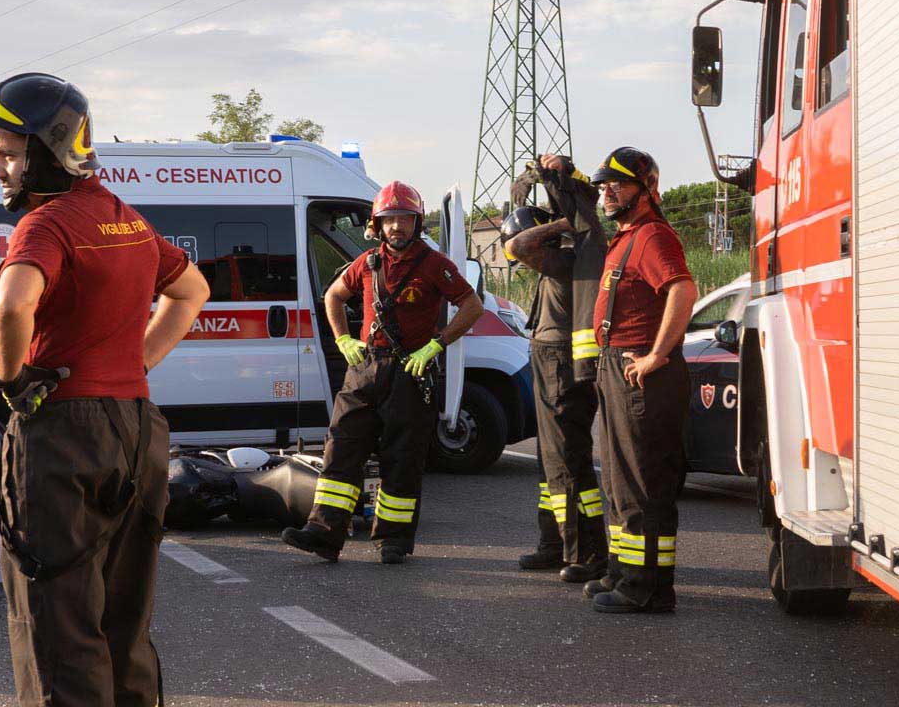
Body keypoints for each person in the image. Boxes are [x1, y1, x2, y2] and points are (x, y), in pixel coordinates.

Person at [0, 72, 208, 707]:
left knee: (57, 625)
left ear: (44, 152)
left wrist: (13, 386)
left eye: (6, 154)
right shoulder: (124, 219)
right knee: (122, 619)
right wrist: (133, 367)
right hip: (137, 430)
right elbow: (192, 291)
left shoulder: (43, 227)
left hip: (64, 435)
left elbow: (11, 308)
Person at [281, 182, 484, 565]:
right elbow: (333, 296)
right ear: (377, 224)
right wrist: (342, 339)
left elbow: (472, 305)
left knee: (402, 459)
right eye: (389, 220)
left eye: (404, 219)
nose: (396, 228)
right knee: (341, 448)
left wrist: (437, 344)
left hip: (411, 370)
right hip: (365, 369)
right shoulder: (368, 262)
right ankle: (324, 535)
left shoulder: (435, 264)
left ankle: (393, 540)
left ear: (417, 222)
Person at [586, 147, 697, 614]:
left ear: (648, 187)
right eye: (603, 185)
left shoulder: (652, 235)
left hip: (641, 376)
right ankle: (623, 571)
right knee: (617, 480)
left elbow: (683, 290)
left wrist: (657, 354)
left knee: (644, 482)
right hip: (615, 368)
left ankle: (648, 587)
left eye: (618, 183)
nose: (607, 191)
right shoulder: (626, 235)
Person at [500, 155, 610, 585]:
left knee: (569, 460)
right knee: (549, 465)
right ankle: (554, 544)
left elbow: (518, 245)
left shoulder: (572, 254)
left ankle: (589, 552)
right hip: (547, 359)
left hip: (564, 364)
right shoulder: (564, 256)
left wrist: (564, 223)